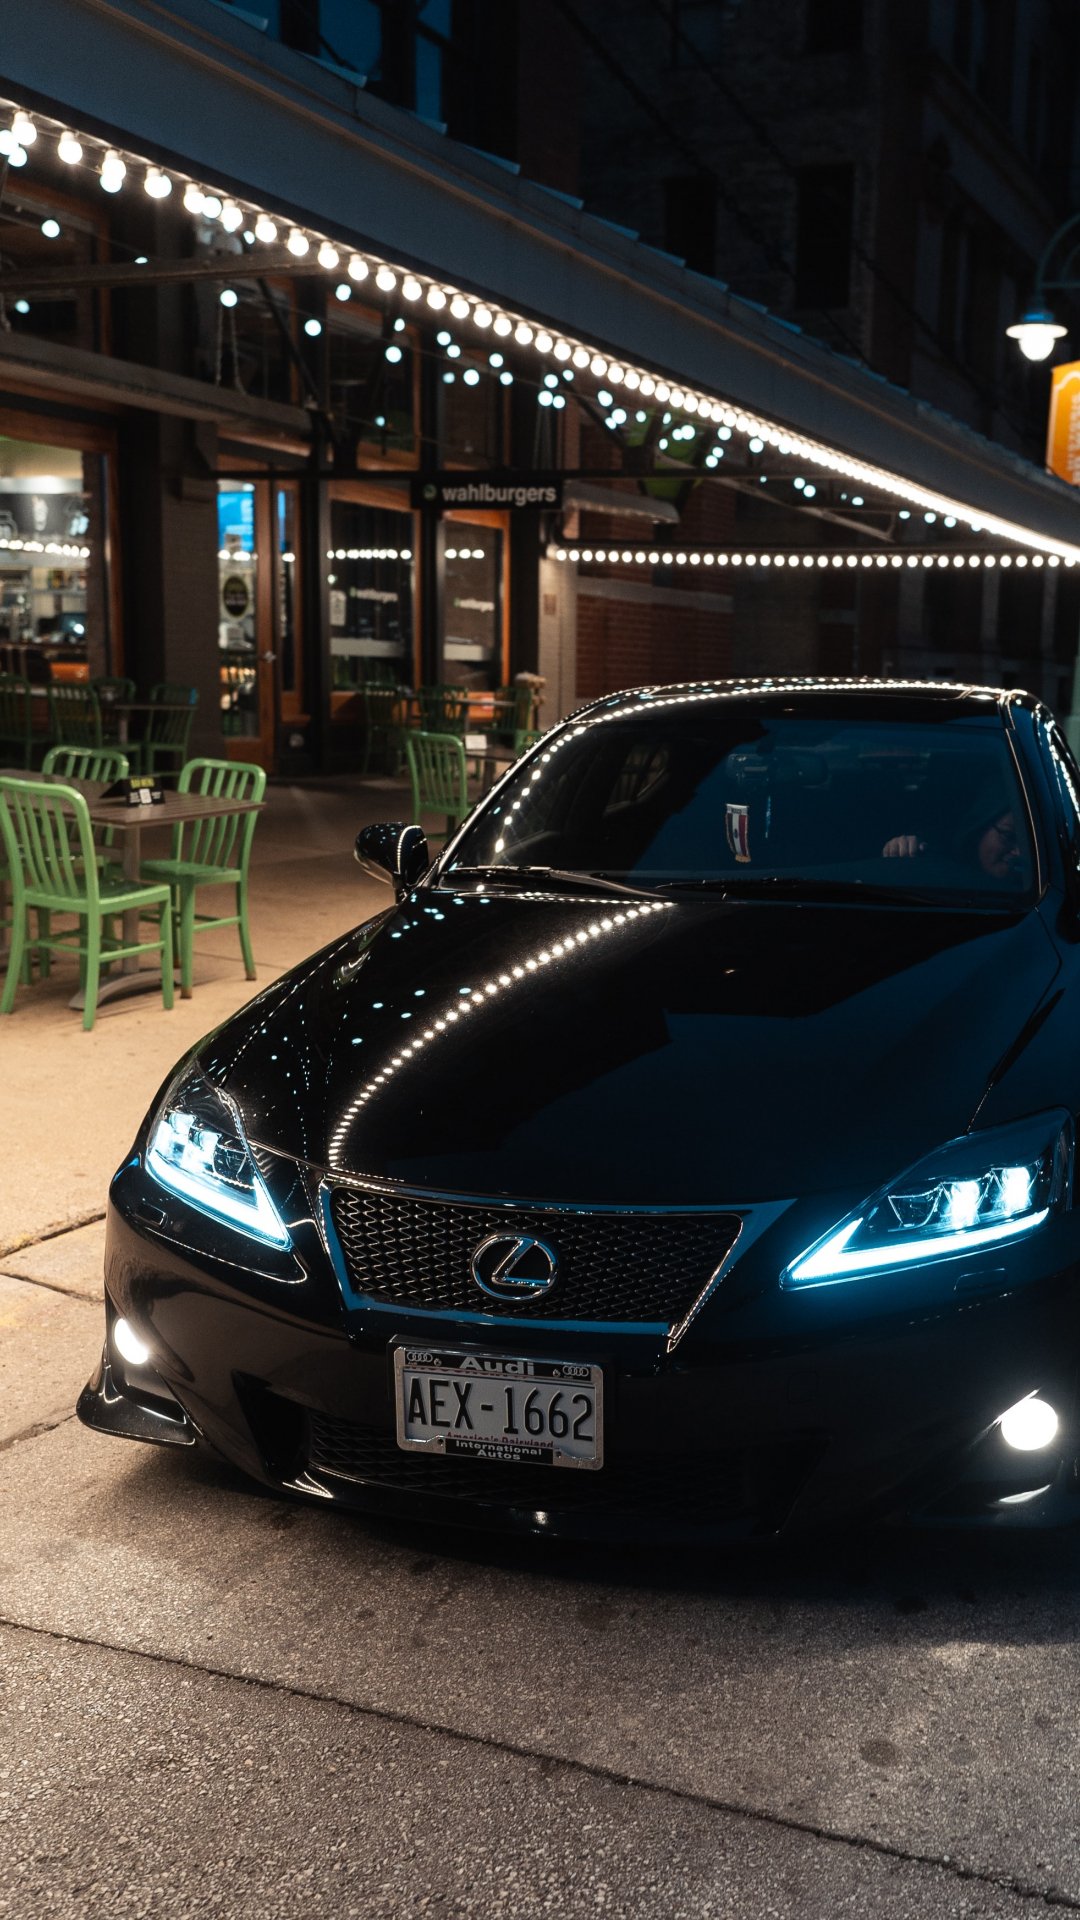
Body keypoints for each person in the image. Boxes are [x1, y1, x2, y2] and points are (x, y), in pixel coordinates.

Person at [881, 787, 1027, 882]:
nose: (1019, 852)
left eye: (1029, 844)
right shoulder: (935, 860)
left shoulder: (1033, 892)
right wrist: (901, 849)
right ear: (980, 829)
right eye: (1008, 836)